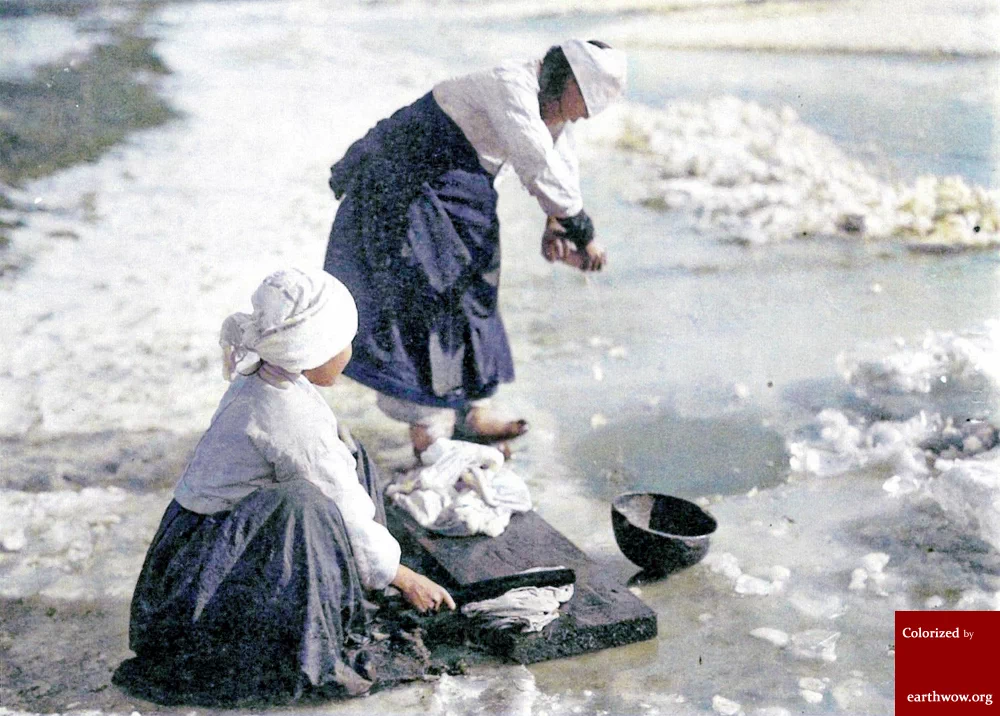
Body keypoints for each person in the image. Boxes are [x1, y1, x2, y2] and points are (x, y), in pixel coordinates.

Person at [114, 268, 454, 705]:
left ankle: (346, 592)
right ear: (310, 351)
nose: (349, 351)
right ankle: (300, 644)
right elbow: (343, 507)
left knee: (348, 456)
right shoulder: (286, 416)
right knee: (304, 504)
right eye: (340, 344)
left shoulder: (267, 377)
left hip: (203, 547)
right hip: (205, 579)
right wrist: (402, 578)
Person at [324, 39, 627, 455]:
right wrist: (584, 233)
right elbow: (536, 160)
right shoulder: (511, 87)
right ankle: (429, 439)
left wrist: (554, 223)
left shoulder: (552, 103)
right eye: (581, 107)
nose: (578, 118)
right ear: (568, 83)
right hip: (400, 184)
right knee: (426, 299)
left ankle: (472, 414)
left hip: (461, 186)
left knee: (476, 287)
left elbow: (559, 159)